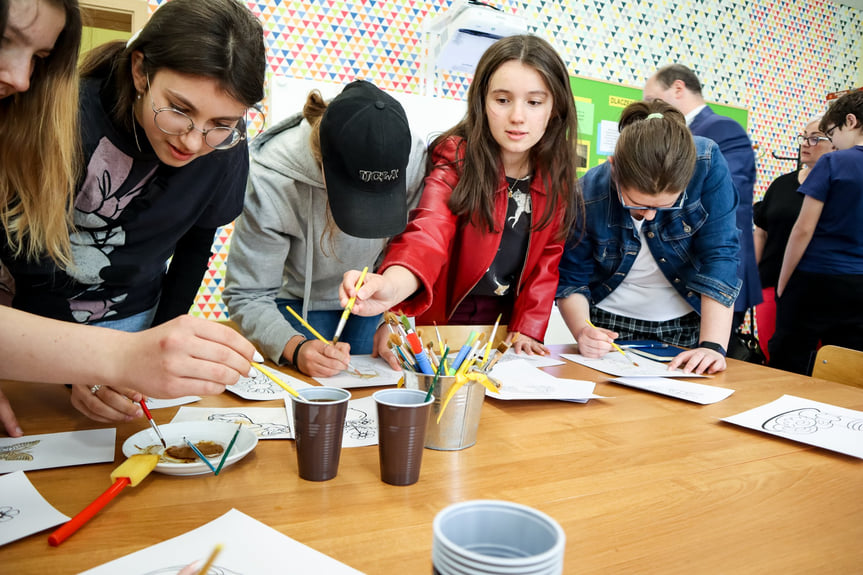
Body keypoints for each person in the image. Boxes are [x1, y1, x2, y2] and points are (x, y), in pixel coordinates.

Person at [0, 0, 261, 438]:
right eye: (178, 109)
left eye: (220, 123)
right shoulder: (57, 113)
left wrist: (153, 348)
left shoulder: (225, 146)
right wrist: (79, 363)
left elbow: (197, 244)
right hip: (32, 331)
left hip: (135, 319)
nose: (194, 141)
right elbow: (22, 261)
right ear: (141, 72)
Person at [340, 34, 581, 367]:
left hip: (505, 333)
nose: (517, 117)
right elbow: (429, 231)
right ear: (481, 101)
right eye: (502, 100)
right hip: (442, 325)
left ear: (556, 109)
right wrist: (391, 286)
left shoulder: (559, 178)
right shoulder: (455, 156)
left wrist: (529, 326)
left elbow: (547, 260)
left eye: (535, 102)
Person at [223, 80, 426, 377]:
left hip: (374, 301)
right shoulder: (272, 177)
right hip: (297, 304)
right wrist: (294, 347)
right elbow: (247, 294)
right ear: (324, 166)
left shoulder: (412, 159)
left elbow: (410, 254)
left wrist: (395, 319)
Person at [556, 100, 741, 375]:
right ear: (614, 168)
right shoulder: (586, 193)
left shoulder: (706, 163)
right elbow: (572, 279)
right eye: (637, 204)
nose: (651, 216)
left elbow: (721, 253)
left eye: (665, 206)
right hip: (610, 326)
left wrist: (712, 346)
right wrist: (584, 331)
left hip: (685, 321)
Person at [643, 64, 761, 338]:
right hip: (678, 274)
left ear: (678, 88)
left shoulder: (722, 129)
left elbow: (726, 194)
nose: (649, 109)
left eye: (651, 100)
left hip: (715, 267)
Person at [770, 90, 863, 374]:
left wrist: (783, 282)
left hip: (815, 280)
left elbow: (803, 228)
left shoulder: (833, 163)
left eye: (831, 132)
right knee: (844, 368)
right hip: (858, 285)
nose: (832, 142)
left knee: (790, 360)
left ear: (850, 121)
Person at [752, 117, 832, 360]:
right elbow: (761, 232)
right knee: (771, 354)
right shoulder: (782, 184)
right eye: (804, 137)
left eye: (815, 138)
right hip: (770, 284)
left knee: (814, 362)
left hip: (816, 290)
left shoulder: (837, 186)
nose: (806, 143)